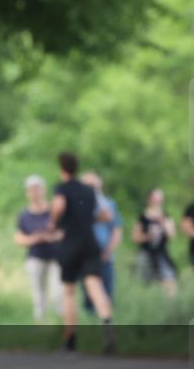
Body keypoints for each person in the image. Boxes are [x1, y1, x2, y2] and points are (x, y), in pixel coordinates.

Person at [46, 152, 115, 354]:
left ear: (62, 169)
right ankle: (107, 324)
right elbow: (104, 215)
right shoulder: (89, 189)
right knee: (95, 286)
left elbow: (59, 206)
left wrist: (54, 223)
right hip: (91, 243)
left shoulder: (62, 188)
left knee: (69, 292)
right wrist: (86, 220)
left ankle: (70, 341)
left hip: (71, 243)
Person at [14, 175, 62, 322]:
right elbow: (19, 238)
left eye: (37, 189)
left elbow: (63, 232)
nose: (34, 193)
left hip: (55, 257)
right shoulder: (24, 215)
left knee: (57, 293)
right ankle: (41, 323)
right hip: (35, 257)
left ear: (43, 190)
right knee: (38, 293)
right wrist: (34, 239)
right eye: (31, 190)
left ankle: (60, 323)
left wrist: (50, 237)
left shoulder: (54, 211)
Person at [80, 172, 122, 313]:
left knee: (107, 291)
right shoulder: (79, 205)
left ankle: (107, 324)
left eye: (93, 184)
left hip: (105, 255)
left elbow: (116, 230)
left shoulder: (109, 204)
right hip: (85, 256)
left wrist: (108, 250)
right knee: (89, 295)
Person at [132, 189, 178, 297]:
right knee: (144, 282)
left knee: (169, 279)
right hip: (145, 253)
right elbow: (135, 237)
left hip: (161, 253)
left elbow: (171, 235)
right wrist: (148, 236)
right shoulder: (142, 217)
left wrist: (163, 223)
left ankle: (171, 305)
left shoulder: (166, 216)